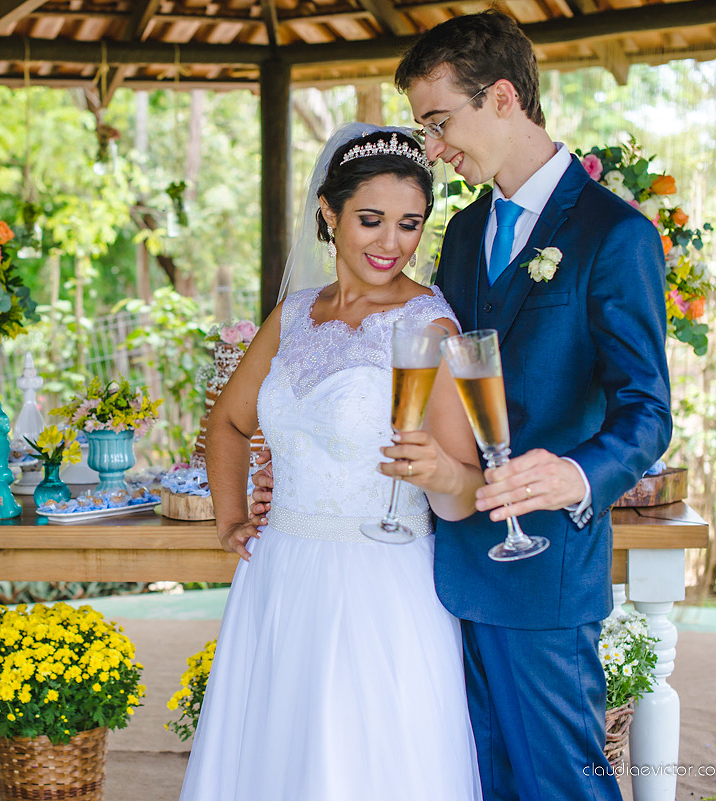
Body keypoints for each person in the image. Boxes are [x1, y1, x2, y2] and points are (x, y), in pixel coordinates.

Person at [253, 11, 672, 801]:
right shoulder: (468, 227)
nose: (435, 149)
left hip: (542, 571)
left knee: (562, 785)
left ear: (505, 98)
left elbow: (648, 410)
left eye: (441, 123)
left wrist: (577, 476)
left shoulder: (616, 237)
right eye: (425, 128)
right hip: (439, 573)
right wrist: (309, 464)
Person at [178, 125, 485, 801]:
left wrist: (440, 476)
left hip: (380, 585)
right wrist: (232, 518)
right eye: (370, 220)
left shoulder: (431, 326)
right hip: (279, 577)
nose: (391, 243)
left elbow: (462, 493)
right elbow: (228, 423)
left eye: (409, 224)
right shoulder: (291, 316)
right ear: (329, 211)